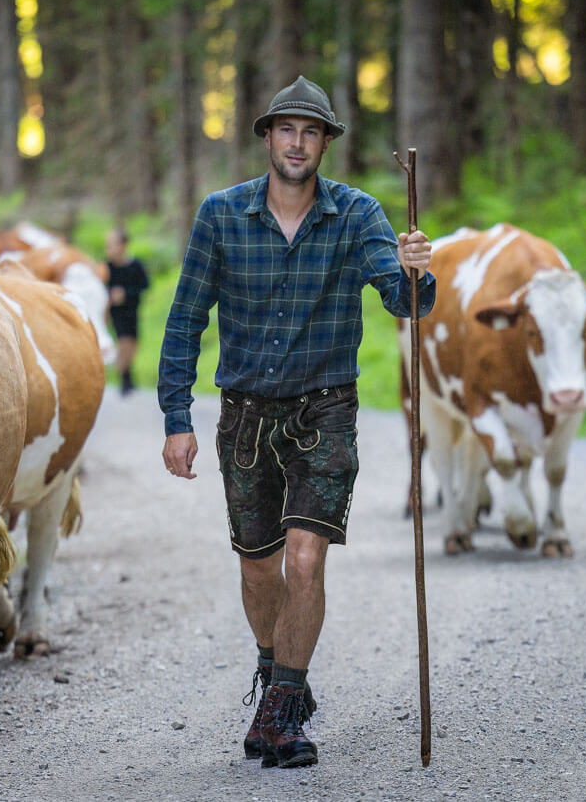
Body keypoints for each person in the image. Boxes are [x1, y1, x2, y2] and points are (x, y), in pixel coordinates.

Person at [157, 75, 435, 769]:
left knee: (306, 559)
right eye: (286, 129)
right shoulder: (221, 215)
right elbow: (187, 317)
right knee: (259, 570)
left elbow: (405, 303)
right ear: (268, 138)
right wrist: (176, 415)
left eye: (311, 132)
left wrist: (414, 270)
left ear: (326, 144)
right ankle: (276, 668)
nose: (297, 143)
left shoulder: (359, 213)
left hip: (325, 412)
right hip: (246, 417)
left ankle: (281, 706)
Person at [105, 226, 150, 395]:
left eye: (113, 244)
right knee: (123, 342)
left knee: (132, 343)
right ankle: (124, 378)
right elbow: (99, 288)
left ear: (123, 245)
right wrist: (110, 296)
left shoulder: (135, 265)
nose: (109, 249)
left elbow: (144, 285)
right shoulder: (106, 267)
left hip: (132, 310)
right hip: (115, 313)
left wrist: (126, 293)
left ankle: (128, 374)